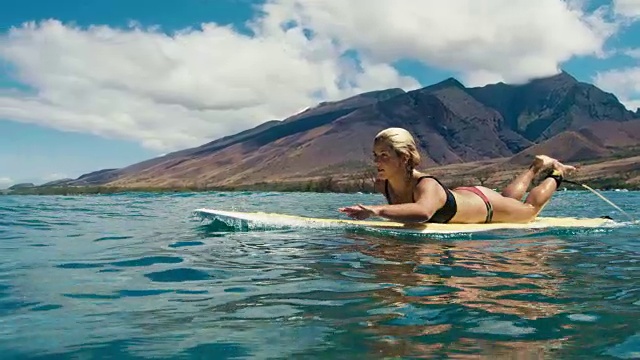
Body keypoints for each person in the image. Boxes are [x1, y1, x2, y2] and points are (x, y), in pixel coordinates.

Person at [338, 127, 577, 224]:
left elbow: (423, 212)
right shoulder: (384, 184)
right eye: (375, 155)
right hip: (466, 196)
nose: (376, 161)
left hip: (486, 205)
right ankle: (535, 167)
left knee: (528, 210)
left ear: (404, 158)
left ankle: (556, 172)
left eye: (384, 155)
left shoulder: (426, 184)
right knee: (511, 200)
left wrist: (376, 210)